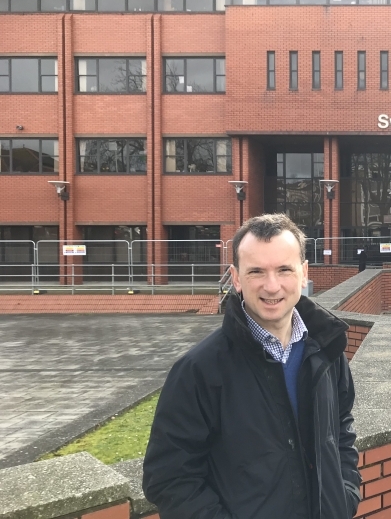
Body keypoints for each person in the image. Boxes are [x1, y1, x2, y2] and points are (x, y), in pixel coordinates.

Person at [143, 213, 361, 519]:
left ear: (303, 273)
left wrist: (346, 492)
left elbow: (340, 426)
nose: (272, 286)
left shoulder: (327, 348)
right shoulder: (199, 370)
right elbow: (169, 478)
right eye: (257, 271)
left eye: (284, 269)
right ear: (236, 278)